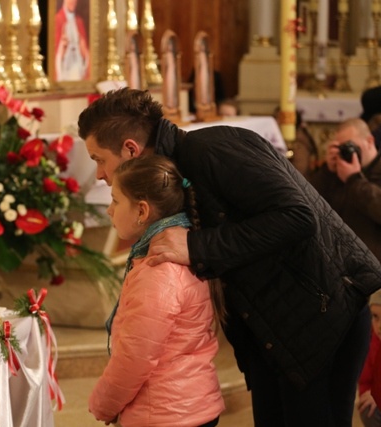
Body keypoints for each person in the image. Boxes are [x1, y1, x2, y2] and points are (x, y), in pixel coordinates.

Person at [77, 87, 381, 427]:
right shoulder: (176, 171)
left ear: (130, 149)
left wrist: (196, 246)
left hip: (322, 321)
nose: (100, 174)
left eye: (98, 159)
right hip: (280, 331)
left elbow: (297, 216)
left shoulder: (213, 149)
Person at [88, 155, 225, 427]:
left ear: (142, 211)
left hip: (163, 414)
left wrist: (103, 404)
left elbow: (134, 358)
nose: (109, 210)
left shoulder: (158, 268)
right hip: (190, 405)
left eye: (116, 201)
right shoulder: (184, 248)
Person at [308, 118, 381, 262]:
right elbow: (310, 204)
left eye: (350, 146)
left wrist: (353, 179)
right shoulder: (338, 171)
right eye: (341, 148)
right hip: (340, 262)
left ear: (370, 141)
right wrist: (327, 172)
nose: (347, 153)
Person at [358, 290, 381, 427]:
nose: (379, 325)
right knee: (368, 410)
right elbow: (365, 381)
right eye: (375, 317)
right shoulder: (371, 342)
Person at [54, 0, 90, 81]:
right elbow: (55, 50)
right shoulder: (58, 19)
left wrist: (84, 52)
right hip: (64, 69)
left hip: (78, 67)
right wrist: (62, 49)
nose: (73, 2)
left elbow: (84, 50)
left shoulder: (79, 21)